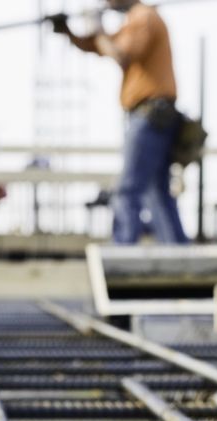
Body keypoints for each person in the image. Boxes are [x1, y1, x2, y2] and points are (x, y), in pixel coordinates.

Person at [53, 1, 188, 245]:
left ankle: (123, 250)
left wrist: (96, 25)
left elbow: (120, 54)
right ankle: (178, 252)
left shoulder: (143, 17)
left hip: (150, 116)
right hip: (155, 116)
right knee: (156, 191)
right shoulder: (136, 21)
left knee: (128, 189)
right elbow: (101, 46)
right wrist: (70, 33)